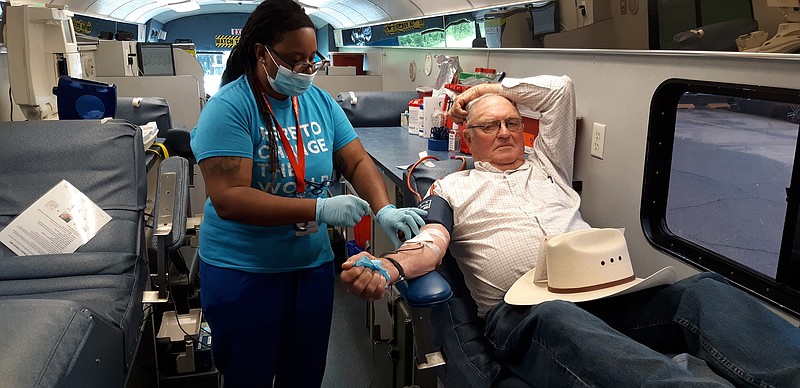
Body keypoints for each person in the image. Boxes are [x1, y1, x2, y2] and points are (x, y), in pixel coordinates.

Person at [340, 75, 800, 387]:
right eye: (489, 125)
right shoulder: (453, 186)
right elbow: (431, 244)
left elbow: (559, 90)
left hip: (609, 298)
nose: (504, 132)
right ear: (467, 139)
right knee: (558, 316)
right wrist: (390, 265)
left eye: (512, 123)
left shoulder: (549, 164)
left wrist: (492, 88)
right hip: (526, 318)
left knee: (705, 291)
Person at [189, 1, 426, 386]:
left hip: (309, 268)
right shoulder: (229, 108)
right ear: (261, 53)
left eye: (311, 60)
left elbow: (355, 161)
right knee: (248, 376)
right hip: (245, 272)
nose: (304, 69)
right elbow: (230, 198)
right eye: (293, 59)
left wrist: (383, 210)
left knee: (304, 375)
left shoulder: (317, 101)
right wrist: (318, 208)